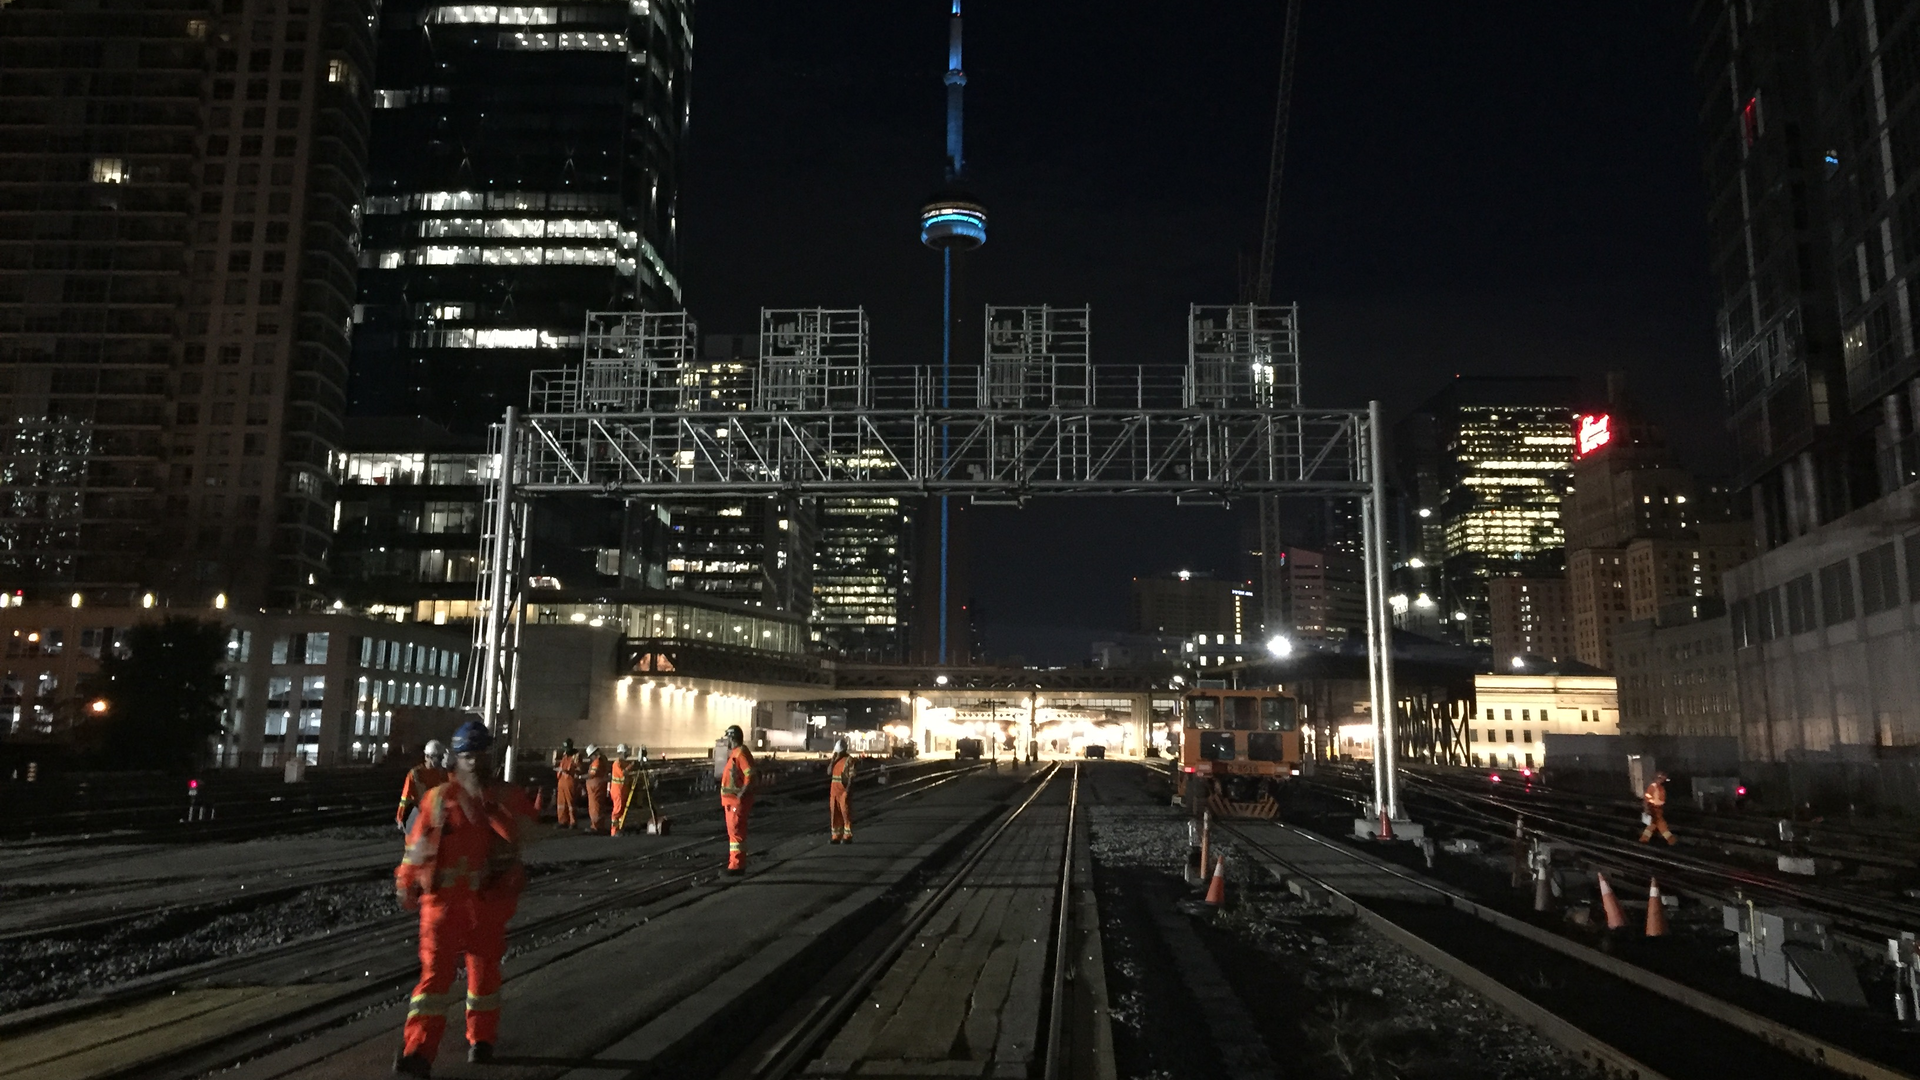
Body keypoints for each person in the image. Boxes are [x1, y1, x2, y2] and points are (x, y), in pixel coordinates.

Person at [392, 719, 533, 1077]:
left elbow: (527, 832)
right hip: (443, 905)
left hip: (485, 902)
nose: (473, 762)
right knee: (434, 982)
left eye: (479, 755)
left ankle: (481, 1041)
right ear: (457, 759)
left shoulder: (501, 799)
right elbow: (418, 848)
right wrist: (406, 881)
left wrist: (498, 811)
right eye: (467, 756)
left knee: (483, 978)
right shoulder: (439, 799)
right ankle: (418, 1053)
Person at [719, 724, 755, 873]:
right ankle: (736, 863)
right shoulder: (736, 753)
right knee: (735, 834)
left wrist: (742, 793)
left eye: (727, 737)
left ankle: (736, 866)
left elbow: (750, 774)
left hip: (736, 801)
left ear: (732, 738)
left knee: (736, 833)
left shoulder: (740, 754)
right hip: (731, 801)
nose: (726, 740)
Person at [397, 740, 448, 832]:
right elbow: (405, 798)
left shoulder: (443, 773)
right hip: (421, 814)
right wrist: (400, 817)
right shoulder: (415, 774)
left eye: (441, 757)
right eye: (438, 757)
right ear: (427, 757)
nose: (441, 761)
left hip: (438, 816)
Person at [827, 738, 855, 844]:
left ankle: (847, 836)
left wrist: (848, 790)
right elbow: (829, 772)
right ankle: (836, 836)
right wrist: (832, 761)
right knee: (835, 815)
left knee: (845, 814)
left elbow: (852, 777)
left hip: (843, 792)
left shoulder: (849, 760)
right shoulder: (835, 761)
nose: (837, 753)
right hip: (834, 793)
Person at [1639, 770, 1676, 845]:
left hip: (1658, 809)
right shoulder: (1653, 787)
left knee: (1652, 826)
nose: (1663, 780)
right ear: (1658, 778)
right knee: (1662, 825)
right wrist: (1647, 809)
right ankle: (1671, 841)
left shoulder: (1660, 787)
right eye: (1662, 779)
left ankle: (1643, 839)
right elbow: (1647, 799)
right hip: (1653, 809)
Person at [553, 739, 581, 829]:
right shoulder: (565, 755)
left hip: (570, 780)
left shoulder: (576, 756)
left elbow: (579, 769)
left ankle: (573, 822)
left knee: (570, 802)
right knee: (561, 803)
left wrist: (568, 771)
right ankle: (562, 821)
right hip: (561, 780)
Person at [583, 745, 611, 833]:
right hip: (598, 786)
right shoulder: (603, 760)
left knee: (595, 807)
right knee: (599, 806)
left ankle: (595, 826)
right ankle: (600, 825)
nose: (591, 758)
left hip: (595, 788)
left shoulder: (597, 762)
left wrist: (581, 776)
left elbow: (593, 774)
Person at [609, 744, 632, 835]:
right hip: (618, 791)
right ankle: (614, 831)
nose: (627, 754)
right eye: (625, 752)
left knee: (622, 811)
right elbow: (623, 773)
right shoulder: (617, 763)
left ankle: (620, 828)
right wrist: (631, 766)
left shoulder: (624, 763)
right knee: (617, 811)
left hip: (623, 790)